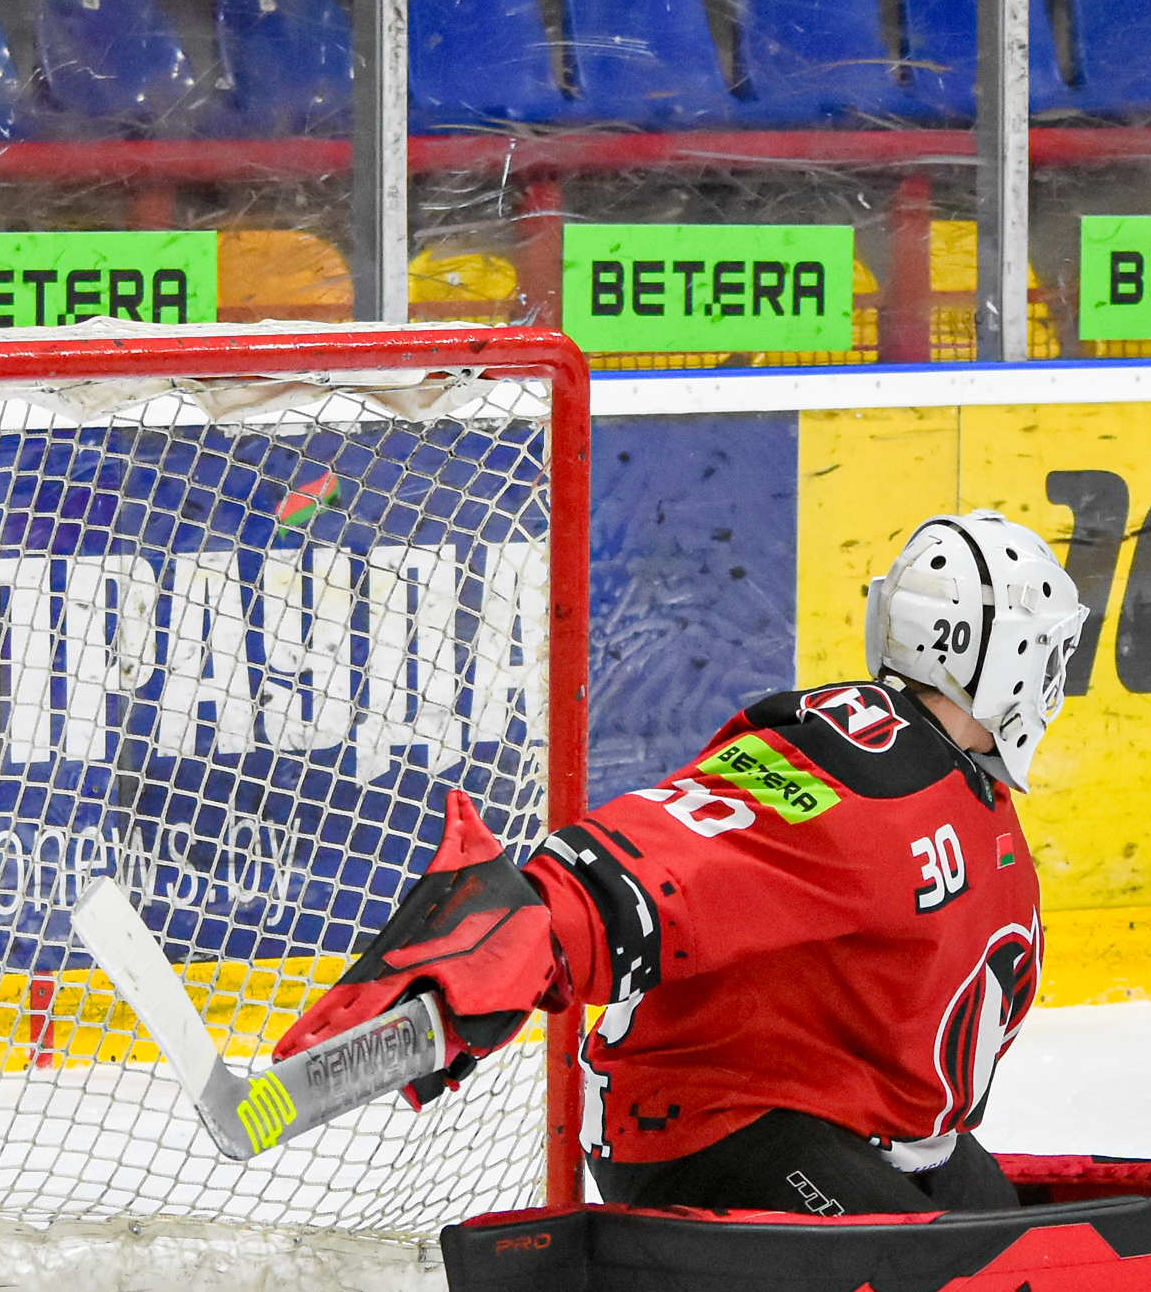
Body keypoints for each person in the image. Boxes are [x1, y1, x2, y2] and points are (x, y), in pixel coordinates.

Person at [273, 508, 1091, 1220]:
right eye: (1046, 654)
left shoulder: (960, 781)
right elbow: (689, 841)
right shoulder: (868, 766)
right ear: (1001, 658)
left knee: (1034, 1288)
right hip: (715, 1127)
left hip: (863, 1125)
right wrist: (538, 923)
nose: (1054, 680)